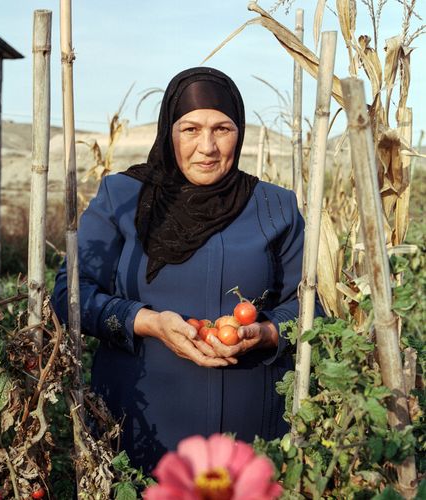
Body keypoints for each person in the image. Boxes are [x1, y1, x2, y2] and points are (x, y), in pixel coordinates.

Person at [52, 66, 324, 472]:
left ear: (240, 132)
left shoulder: (275, 206)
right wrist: (146, 322)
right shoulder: (123, 198)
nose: (208, 147)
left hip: (248, 431)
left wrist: (264, 333)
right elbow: (70, 296)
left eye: (223, 128)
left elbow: (307, 308)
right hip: (139, 421)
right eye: (191, 129)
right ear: (169, 131)